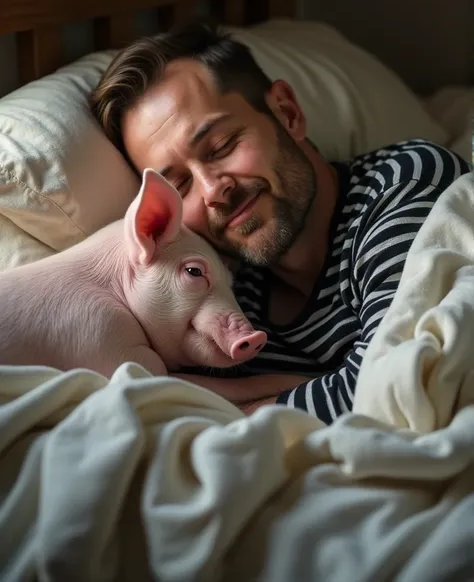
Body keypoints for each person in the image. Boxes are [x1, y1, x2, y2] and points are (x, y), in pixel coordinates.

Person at [89, 21, 469, 422]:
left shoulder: (406, 180)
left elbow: (388, 385)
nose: (212, 190)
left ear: (287, 113)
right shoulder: (230, 302)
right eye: (180, 184)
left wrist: (247, 410)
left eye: (222, 146)